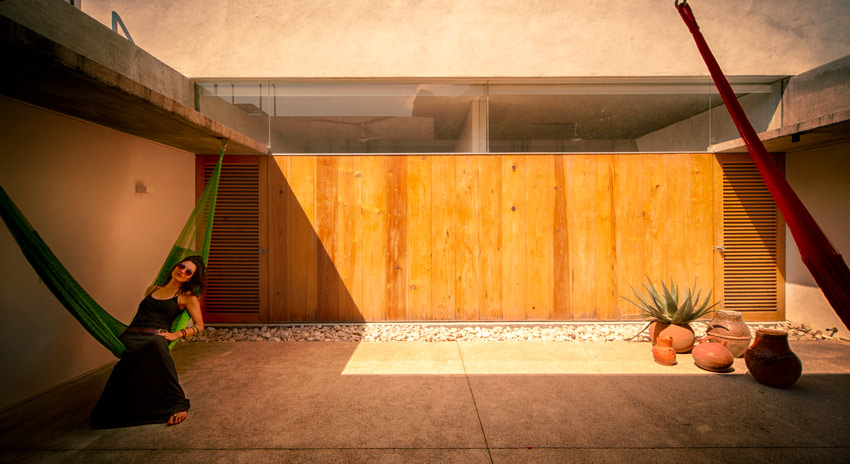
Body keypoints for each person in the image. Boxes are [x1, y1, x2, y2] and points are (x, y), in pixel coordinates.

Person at [90, 256, 206, 428]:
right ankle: (116, 407)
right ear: (175, 267)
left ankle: (177, 402)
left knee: (157, 344)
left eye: (188, 271)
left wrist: (177, 334)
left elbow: (199, 326)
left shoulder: (187, 297)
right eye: (182, 266)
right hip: (131, 336)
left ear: (191, 278)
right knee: (152, 347)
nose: (182, 271)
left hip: (156, 337)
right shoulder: (152, 289)